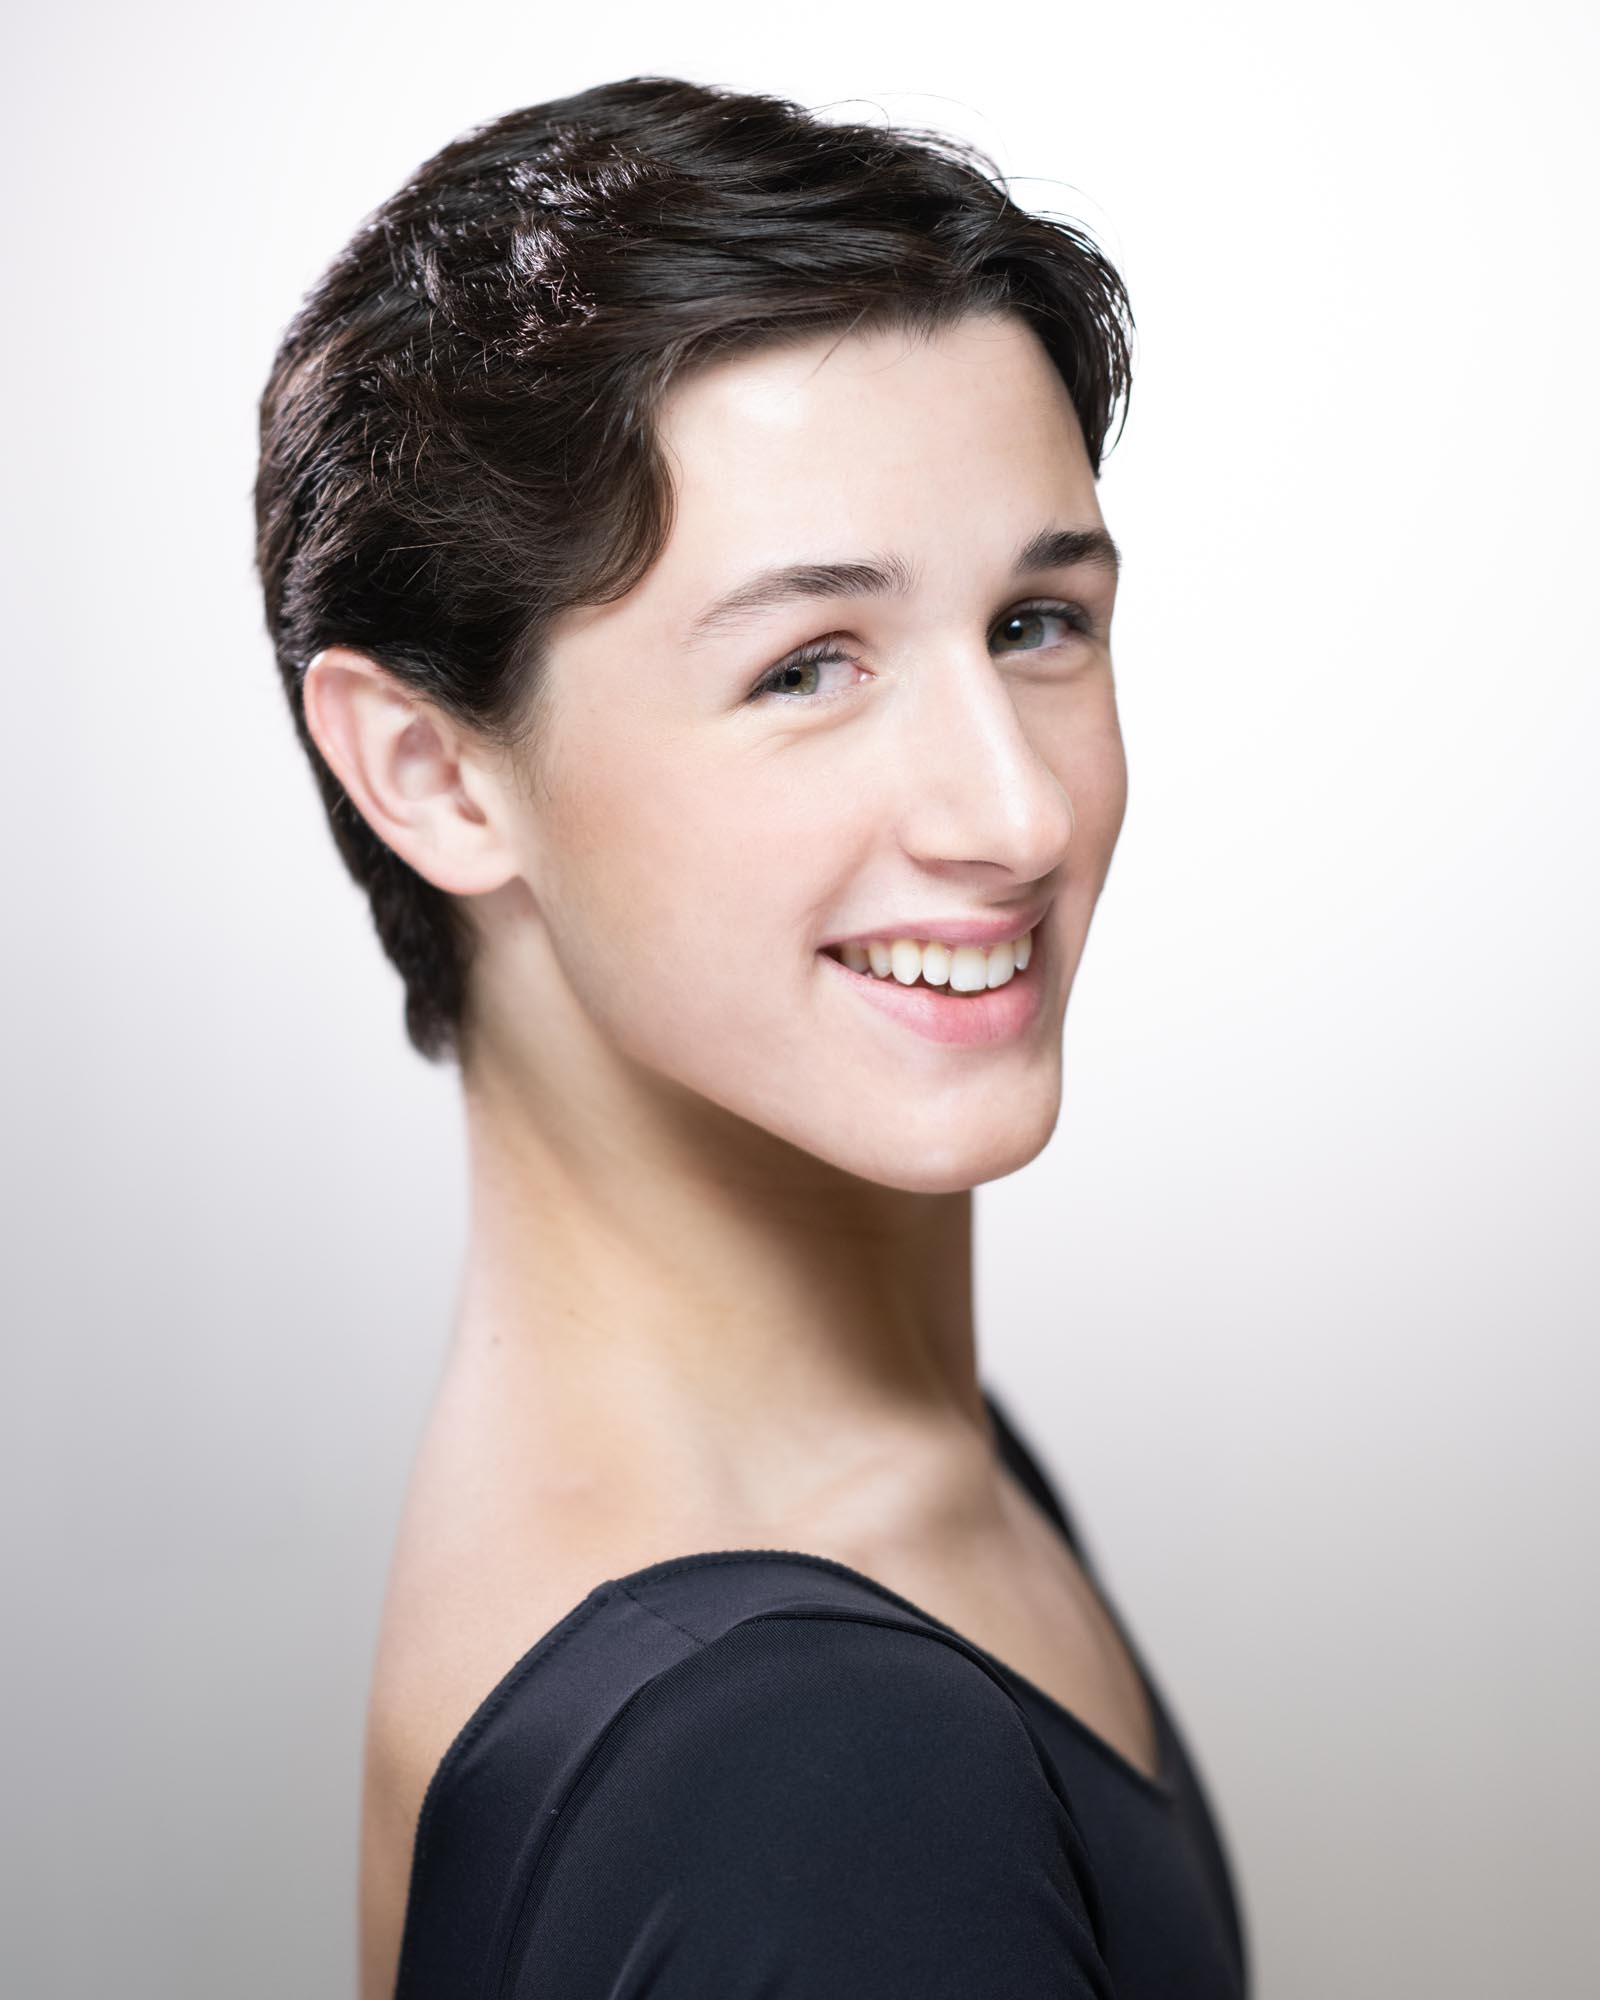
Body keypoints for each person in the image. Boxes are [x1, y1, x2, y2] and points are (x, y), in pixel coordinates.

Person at [254, 74, 1249, 1999]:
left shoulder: (868, 1491)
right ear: (433, 772)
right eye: (808, 666)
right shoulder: (801, 1776)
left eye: (1037, 623)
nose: (1017, 815)